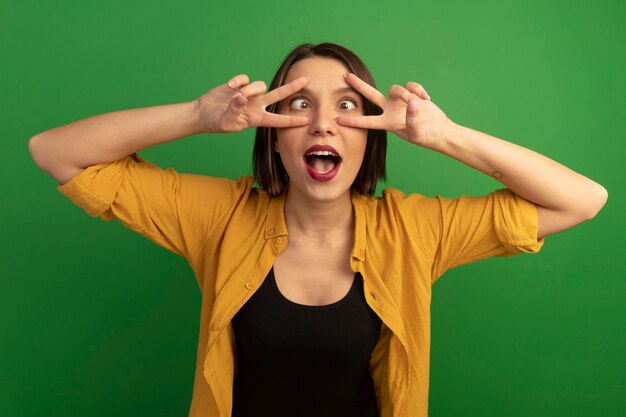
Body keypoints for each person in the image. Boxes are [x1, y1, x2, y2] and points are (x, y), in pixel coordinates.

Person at [28, 43, 607, 417]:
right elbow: (54, 153)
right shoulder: (220, 218)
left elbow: (583, 200)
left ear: (372, 134)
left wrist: (445, 135)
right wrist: (197, 117)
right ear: (273, 135)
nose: (324, 122)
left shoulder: (414, 231)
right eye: (301, 104)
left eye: (349, 107)